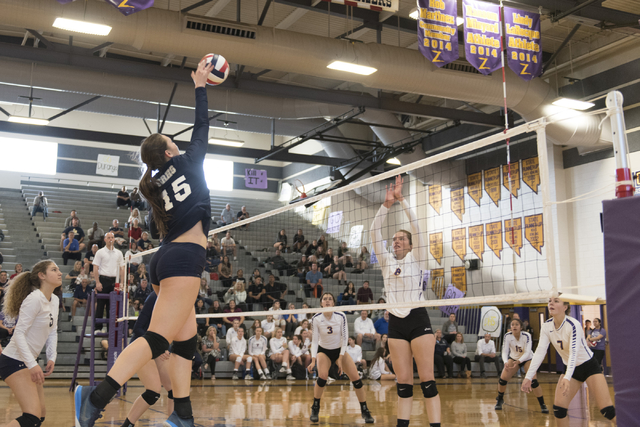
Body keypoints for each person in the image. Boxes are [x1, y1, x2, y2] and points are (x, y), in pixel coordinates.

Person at [75, 60, 215, 427]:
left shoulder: (155, 184)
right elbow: (202, 126)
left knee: (186, 342)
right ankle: (96, 396)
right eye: (173, 142)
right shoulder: (188, 162)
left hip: (165, 260)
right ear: (169, 152)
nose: (178, 144)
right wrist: (200, 86)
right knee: (158, 339)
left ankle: (182, 415)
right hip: (184, 259)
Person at [370, 175, 440, 427]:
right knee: (404, 384)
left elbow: (417, 227)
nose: (396, 240)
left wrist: (402, 200)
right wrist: (386, 205)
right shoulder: (387, 261)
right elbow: (373, 231)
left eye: (401, 238)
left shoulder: (417, 258)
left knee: (428, 381)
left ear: (410, 246)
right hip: (396, 325)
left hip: (417, 317)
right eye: (395, 238)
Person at [522, 296, 615, 425]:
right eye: (550, 301)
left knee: (607, 411)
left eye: (556, 301)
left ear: (565, 307)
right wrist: (528, 376)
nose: (551, 303)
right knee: (559, 410)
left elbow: (574, 353)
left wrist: (567, 376)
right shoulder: (546, 326)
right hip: (570, 369)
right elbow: (540, 352)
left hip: (589, 367)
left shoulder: (573, 324)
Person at [0, 260, 60, 427]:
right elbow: (19, 333)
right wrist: (33, 365)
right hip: (13, 360)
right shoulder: (34, 299)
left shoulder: (54, 300)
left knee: (39, 415)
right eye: (54, 270)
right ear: (42, 276)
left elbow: (53, 331)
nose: (60, 273)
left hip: (27, 362)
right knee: (31, 417)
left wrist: (51, 357)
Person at [307, 292, 374, 424]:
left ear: (333, 302)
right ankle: (315, 407)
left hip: (340, 350)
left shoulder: (340, 316)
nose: (327, 301)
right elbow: (314, 341)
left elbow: (344, 339)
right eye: (324, 299)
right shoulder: (316, 318)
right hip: (323, 351)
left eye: (330, 299)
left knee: (356, 379)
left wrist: (340, 357)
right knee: (323, 377)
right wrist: (313, 359)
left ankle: (365, 410)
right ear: (321, 303)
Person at [123, 291, 174, 427]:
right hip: (142, 346)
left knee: (173, 389)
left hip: (158, 348)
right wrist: (158, 346)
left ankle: (172, 423)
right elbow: (138, 328)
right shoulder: (155, 296)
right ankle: (127, 424)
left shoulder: (176, 299)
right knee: (153, 391)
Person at [496, 318, 548, 413]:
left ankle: (542, 404)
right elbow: (505, 351)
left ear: (521, 327)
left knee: (534, 381)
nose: (514, 326)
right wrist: (505, 362)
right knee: (502, 379)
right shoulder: (507, 336)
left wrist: (519, 361)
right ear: (510, 327)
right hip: (514, 358)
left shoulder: (526, 335)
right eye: (512, 324)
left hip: (527, 358)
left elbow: (528, 352)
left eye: (516, 324)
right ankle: (500, 399)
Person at [92, 232, 125, 333]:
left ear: (114, 239)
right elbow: (95, 267)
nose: (110, 239)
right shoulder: (100, 252)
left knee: (112, 307)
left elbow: (122, 268)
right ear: (105, 239)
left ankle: (111, 329)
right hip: (103, 279)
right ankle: (98, 328)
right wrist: (97, 282)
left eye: (112, 237)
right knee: (101, 304)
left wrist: (122, 282)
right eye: (108, 237)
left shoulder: (119, 253)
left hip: (114, 281)